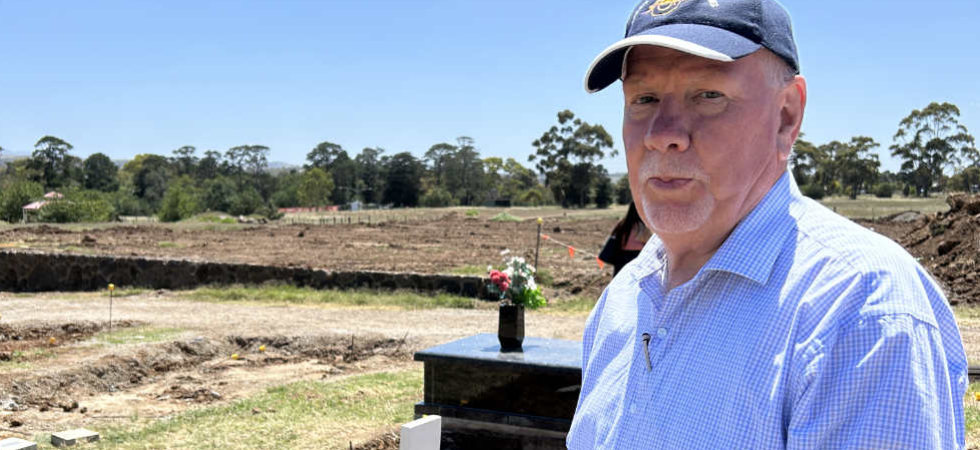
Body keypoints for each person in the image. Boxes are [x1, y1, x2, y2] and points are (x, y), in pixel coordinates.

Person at [567, 0, 967, 448]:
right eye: (644, 98)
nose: (663, 133)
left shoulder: (858, 311)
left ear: (787, 116)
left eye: (708, 95)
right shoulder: (624, 299)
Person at [598, 202, 650, 275]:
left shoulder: (622, 224)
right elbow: (649, 243)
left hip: (621, 259)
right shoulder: (643, 226)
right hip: (637, 258)